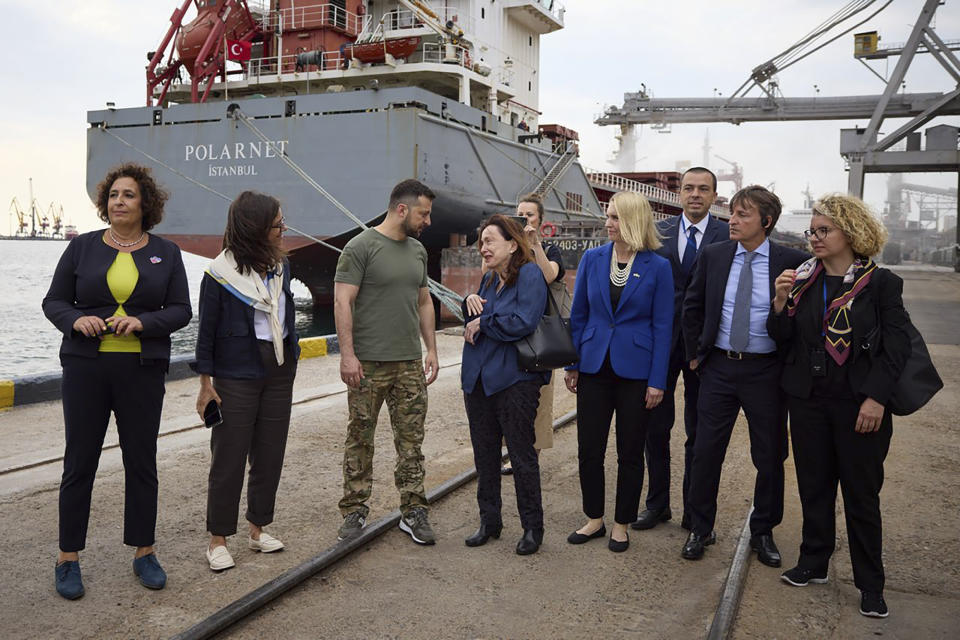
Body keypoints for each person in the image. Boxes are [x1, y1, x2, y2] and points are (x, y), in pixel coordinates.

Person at [42, 163, 192, 599]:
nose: (118, 202)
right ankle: (67, 557)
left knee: (141, 462)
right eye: (112, 196)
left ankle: (144, 551)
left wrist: (143, 324)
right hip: (86, 370)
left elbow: (181, 309)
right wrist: (78, 319)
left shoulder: (167, 251)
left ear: (146, 204)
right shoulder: (81, 248)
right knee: (79, 462)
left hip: (141, 372)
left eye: (128, 195)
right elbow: (54, 301)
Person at [768, 194, 908, 618]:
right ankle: (814, 562)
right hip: (808, 402)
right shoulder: (803, 280)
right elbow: (781, 337)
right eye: (812, 231)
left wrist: (876, 398)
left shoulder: (881, 283)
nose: (814, 238)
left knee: (861, 496)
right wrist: (779, 302)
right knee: (814, 486)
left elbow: (896, 348)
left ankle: (870, 583)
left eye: (823, 230)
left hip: (858, 405)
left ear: (851, 232)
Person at [680, 185, 808, 565]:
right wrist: (695, 357)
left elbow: (797, 324)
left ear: (766, 222)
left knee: (769, 456)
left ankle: (763, 531)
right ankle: (700, 528)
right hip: (718, 368)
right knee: (705, 452)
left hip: (765, 372)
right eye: (732, 213)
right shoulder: (715, 255)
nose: (732, 220)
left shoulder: (793, 262)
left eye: (743, 214)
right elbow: (693, 306)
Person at [194, 192, 300, 572]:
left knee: (270, 454)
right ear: (256, 229)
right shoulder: (220, 274)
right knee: (229, 458)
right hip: (235, 374)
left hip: (278, 371)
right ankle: (218, 539)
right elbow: (205, 332)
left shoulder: (281, 267)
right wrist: (205, 383)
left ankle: (258, 528)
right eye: (277, 224)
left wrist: (292, 359)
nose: (284, 229)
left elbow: (285, 312)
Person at [564, 191, 673, 552]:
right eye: (607, 217)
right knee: (589, 449)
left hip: (636, 372)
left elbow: (663, 327)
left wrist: (658, 381)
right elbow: (579, 316)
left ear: (632, 221)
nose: (607, 224)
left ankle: (621, 523)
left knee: (630, 451)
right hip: (594, 367)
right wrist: (573, 364)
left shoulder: (658, 267)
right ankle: (594, 518)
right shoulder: (593, 259)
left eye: (613, 218)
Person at [334, 179, 440, 545]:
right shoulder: (359, 248)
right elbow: (342, 301)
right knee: (360, 438)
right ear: (402, 209)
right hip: (368, 364)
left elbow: (424, 301)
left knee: (412, 442)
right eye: (423, 213)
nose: (427, 221)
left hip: (409, 364)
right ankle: (354, 510)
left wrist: (432, 349)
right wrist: (347, 355)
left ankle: (413, 510)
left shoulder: (418, 251)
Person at [636, 167, 728, 532]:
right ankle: (658, 505)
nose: (694, 194)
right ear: (679, 194)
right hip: (661, 343)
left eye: (703, 189)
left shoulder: (727, 236)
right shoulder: (659, 232)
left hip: (705, 347)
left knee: (699, 430)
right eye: (688, 188)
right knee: (655, 428)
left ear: (713, 196)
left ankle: (694, 510)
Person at [461, 214, 549, 555]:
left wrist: (485, 322)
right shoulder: (487, 280)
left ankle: (532, 527)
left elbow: (523, 322)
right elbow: (477, 322)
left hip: (514, 381)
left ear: (513, 245)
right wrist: (470, 304)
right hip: (479, 380)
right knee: (484, 456)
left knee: (522, 456)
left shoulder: (529, 275)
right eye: (482, 242)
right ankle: (490, 521)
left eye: (490, 241)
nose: (483, 248)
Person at [472, 194, 566, 475]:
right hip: (507, 335)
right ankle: (512, 449)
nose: (523, 219)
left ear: (540, 220)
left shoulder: (549, 249)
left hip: (539, 339)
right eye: (519, 215)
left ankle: (528, 455)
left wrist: (533, 242)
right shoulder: (503, 251)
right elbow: (485, 276)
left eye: (530, 216)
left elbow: (548, 275)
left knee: (538, 402)